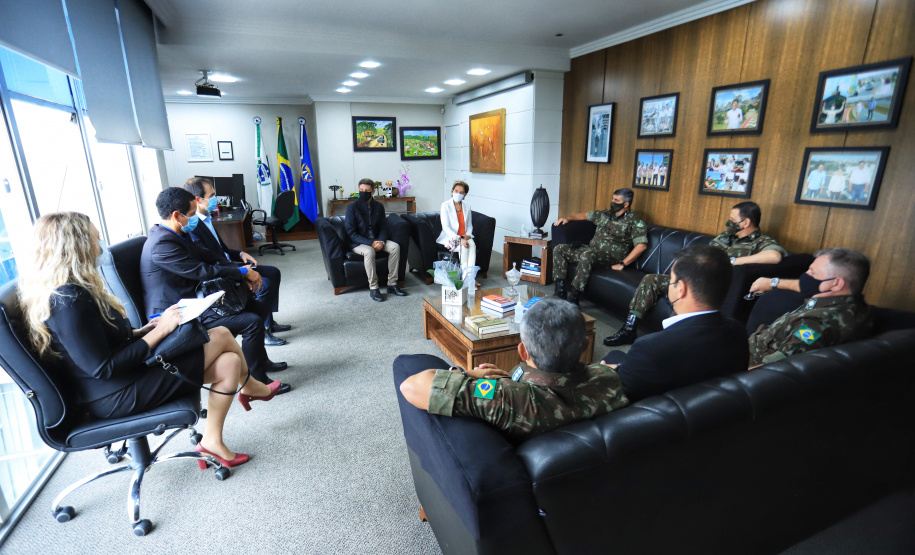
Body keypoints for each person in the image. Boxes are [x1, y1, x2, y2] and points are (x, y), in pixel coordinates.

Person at [19, 212, 281, 468]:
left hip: (126, 378)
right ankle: (251, 388)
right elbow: (103, 368)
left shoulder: (75, 291)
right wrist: (161, 331)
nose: (100, 243)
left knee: (229, 363)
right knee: (221, 334)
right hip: (115, 395)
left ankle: (213, 439)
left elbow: (102, 341)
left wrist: (142, 331)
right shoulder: (68, 301)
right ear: (76, 247)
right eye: (95, 238)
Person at [398, 298, 629, 440]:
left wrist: (468, 374)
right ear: (586, 345)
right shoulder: (610, 378)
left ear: (522, 351)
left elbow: (411, 386)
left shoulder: (505, 397)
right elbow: (598, 371)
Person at [140, 188, 290, 394]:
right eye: (191, 214)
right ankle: (257, 382)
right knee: (252, 322)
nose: (194, 218)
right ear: (176, 215)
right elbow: (201, 271)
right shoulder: (162, 244)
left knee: (255, 307)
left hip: (194, 302)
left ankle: (261, 363)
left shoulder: (177, 234)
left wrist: (242, 270)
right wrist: (240, 272)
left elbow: (208, 255)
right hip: (177, 315)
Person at [605, 201, 787, 346]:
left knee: (687, 294)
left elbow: (774, 256)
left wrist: (732, 261)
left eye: (732, 219)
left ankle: (669, 341)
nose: (728, 222)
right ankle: (629, 328)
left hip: (713, 289)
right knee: (651, 279)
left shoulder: (761, 242)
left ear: (745, 222)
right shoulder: (726, 237)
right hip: (696, 277)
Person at [601, 246, 748, 401]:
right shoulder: (738, 332)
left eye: (671, 280)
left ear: (681, 289)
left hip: (651, 411)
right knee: (618, 356)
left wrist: (607, 371)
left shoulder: (649, 348)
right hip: (709, 409)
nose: (669, 285)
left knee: (611, 358)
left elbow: (620, 398)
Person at [182, 177, 290, 345]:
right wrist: (240, 271)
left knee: (273, 272)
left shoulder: (208, 218)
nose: (216, 199)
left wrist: (240, 254)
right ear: (198, 200)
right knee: (265, 284)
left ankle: (269, 322)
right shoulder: (194, 227)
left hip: (230, 264)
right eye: (211, 196)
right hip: (222, 272)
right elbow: (211, 261)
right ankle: (263, 330)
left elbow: (223, 250)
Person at [747, 248, 873, 367]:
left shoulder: (815, 324)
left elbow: (772, 369)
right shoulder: (853, 306)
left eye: (813, 273)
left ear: (836, 284)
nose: (805, 275)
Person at [552, 188, 648, 305]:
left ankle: (574, 297)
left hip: (612, 256)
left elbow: (641, 246)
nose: (612, 202)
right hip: (592, 250)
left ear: (626, 204)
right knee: (560, 249)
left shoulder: (635, 222)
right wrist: (568, 218)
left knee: (587, 255)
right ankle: (560, 290)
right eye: (612, 199)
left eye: (616, 200)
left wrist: (623, 264)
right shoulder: (605, 214)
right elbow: (586, 215)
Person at [345, 178, 407, 302]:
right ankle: (374, 288)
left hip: (377, 239)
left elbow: (383, 227)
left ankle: (392, 284)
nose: (363, 192)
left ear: (372, 192)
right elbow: (351, 233)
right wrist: (371, 243)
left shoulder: (379, 206)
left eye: (366, 190)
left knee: (395, 247)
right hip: (359, 242)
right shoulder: (352, 207)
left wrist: (381, 241)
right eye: (361, 190)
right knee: (369, 251)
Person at [438, 181, 476, 281]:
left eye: (461, 192)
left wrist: (468, 235)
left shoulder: (467, 206)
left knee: (472, 245)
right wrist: (459, 239)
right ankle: (465, 277)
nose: (458, 194)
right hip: (451, 237)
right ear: (452, 191)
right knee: (464, 248)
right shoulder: (445, 205)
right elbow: (446, 227)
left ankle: (471, 277)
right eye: (456, 191)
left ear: (465, 194)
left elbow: (469, 225)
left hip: (465, 236)